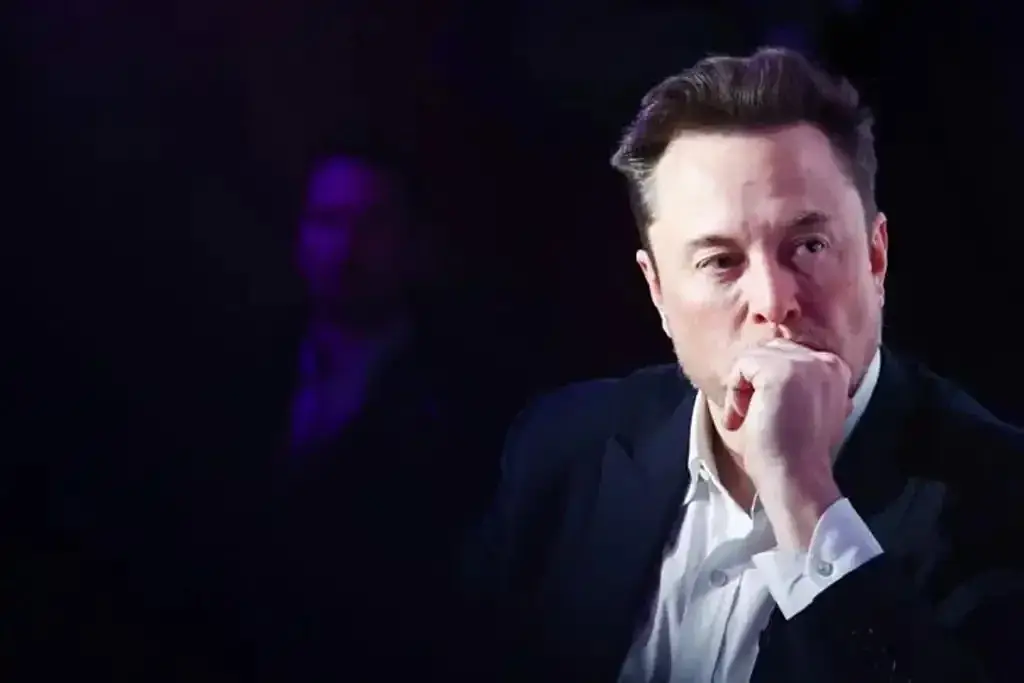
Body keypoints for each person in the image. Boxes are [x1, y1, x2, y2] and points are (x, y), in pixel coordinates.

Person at [459, 47, 1024, 683]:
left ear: (876, 258)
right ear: (657, 291)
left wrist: (804, 496)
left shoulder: (1002, 499)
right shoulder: (564, 455)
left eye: (808, 246)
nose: (773, 302)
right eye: (720, 262)